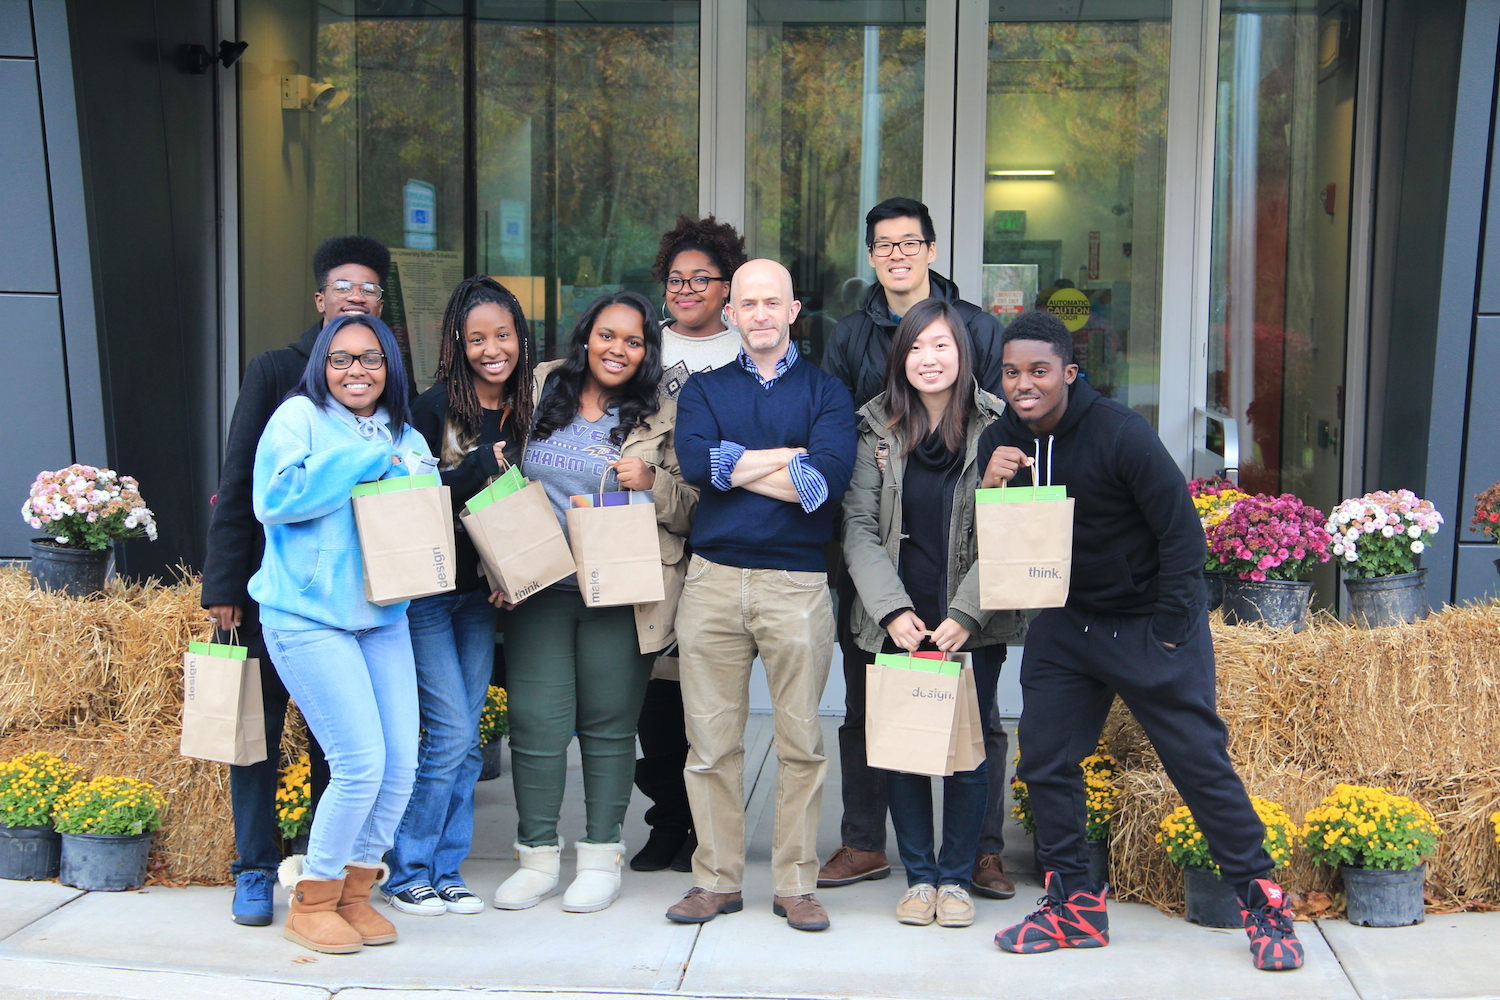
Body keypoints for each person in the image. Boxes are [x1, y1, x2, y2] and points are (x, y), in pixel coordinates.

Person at [978, 311, 1303, 971]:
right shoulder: (1001, 438)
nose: (1023, 384)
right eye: (1011, 373)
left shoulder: (1120, 433)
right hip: (1068, 622)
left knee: (1199, 768)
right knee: (1044, 762)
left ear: (1070, 372)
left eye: (1038, 371)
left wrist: (1173, 633)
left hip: (1149, 623)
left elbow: (1182, 535)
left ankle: (1265, 905)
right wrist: (991, 482)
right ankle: (1074, 906)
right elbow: (1003, 537)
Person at [818, 197, 1017, 901]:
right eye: (884, 244)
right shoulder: (855, 353)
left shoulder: (986, 364)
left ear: (931, 249)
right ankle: (873, 846)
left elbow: (1006, 517)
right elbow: (854, 502)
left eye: (910, 242)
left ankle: (976, 859)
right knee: (879, 723)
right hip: (887, 592)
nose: (897, 254)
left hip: (967, 597)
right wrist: (889, 608)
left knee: (976, 727)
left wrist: (968, 611)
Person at [201, 233, 389, 927]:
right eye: (343, 287)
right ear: (320, 300)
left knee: (334, 743)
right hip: (266, 591)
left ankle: (317, 867)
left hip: (348, 599)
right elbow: (237, 480)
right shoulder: (276, 370)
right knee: (256, 733)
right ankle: (253, 868)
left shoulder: (383, 384)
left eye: (368, 289)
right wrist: (224, 585)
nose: (355, 298)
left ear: (379, 305)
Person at [491, 291, 696, 914]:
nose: (618, 350)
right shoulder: (538, 387)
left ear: (647, 352)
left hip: (619, 590)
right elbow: (499, 478)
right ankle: (536, 858)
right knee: (537, 725)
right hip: (539, 589)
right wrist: (496, 564)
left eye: (634, 342)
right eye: (608, 335)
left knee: (610, 727)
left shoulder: (664, 410)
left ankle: (601, 857)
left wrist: (654, 483)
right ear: (586, 336)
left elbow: (694, 507)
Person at [668, 259, 856, 933]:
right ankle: (715, 881)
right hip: (712, 580)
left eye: (772, 302)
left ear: (794, 310)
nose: (760, 314)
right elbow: (697, 464)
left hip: (796, 584)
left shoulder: (827, 392)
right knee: (710, 744)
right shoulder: (704, 389)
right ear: (731, 314)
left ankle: (796, 883)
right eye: (748, 303)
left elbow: (822, 485)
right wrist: (786, 456)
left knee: (801, 742)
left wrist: (737, 461)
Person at [252, 314, 431, 955]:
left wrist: (407, 465)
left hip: (382, 616)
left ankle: (356, 892)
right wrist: (369, 458)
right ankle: (314, 898)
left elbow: (420, 510)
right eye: (343, 358)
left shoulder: (405, 432)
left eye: (371, 358)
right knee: (359, 763)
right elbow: (275, 499)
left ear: (390, 366)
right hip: (306, 617)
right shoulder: (298, 418)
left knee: (401, 766)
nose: (357, 370)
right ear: (323, 364)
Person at [381, 277, 535, 917]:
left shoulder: (528, 410)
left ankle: (446, 869)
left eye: (502, 336)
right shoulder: (431, 408)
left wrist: (511, 573)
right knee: (447, 733)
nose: (491, 349)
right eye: (477, 339)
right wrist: (474, 470)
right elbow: (402, 503)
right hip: (426, 594)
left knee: (467, 738)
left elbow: (526, 504)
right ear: (456, 344)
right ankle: (406, 870)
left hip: (480, 596)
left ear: (521, 338)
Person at [629, 217, 750, 875]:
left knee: (707, 702)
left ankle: (707, 832)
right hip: (649, 541)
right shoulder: (643, 348)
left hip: (722, 535)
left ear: (727, 286)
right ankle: (668, 821)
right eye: (676, 279)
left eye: (701, 278)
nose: (687, 289)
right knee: (656, 697)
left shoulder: (746, 349)